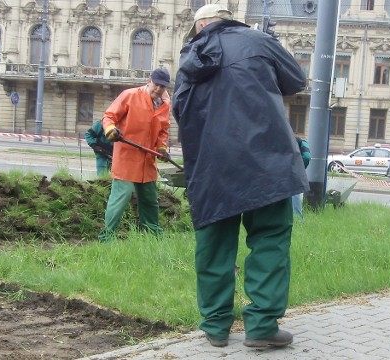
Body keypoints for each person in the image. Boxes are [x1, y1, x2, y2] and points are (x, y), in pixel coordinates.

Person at [173, 4, 308, 348]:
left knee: (215, 245)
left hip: (211, 165)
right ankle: (262, 327)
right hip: (267, 159)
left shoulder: (189, 58)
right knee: (270, 239)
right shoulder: (258, 41)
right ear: (230, 19)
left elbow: (179, 110)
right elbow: (296, 80)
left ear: (200, 25)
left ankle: (216, 327)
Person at [98, 68, 171, 241]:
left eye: (163, 86)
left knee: (150, 200)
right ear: (149, 81)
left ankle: (153, 235)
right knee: (121, 198)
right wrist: (110, 129)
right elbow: (109, 116)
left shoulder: (165, 104)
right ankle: (107, 237)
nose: (158, 89)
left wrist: (161, 148)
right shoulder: (129, 95)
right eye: (156, 84)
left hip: (147, 159)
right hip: (127, 157)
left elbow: (163, 130)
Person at [292, 136, 311, 219]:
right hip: (295, 174)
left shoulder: (279, 139)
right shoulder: (300, 141)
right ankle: (297, 219)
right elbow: (307, 156)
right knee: (294, 196)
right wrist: (300, 168)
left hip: (280, 173)